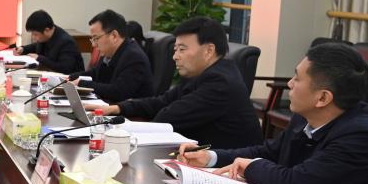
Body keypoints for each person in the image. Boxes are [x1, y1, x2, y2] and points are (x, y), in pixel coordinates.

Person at [178, 43, 368, 184]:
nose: (290, 83)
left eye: (297, 78)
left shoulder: (361, 136)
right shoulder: (305, 116)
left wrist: (252, 167)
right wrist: (211, 157)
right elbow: (270, 151)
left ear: (322, 98)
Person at [91, 17, 263, 149]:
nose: (175, 56)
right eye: (175, 49)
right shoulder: (201, 74)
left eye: (182, 49)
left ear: (209, 50)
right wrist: (118, 108)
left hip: (230, 170)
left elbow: (166, 118)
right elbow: (162, 101)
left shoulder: (220, 83)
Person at [74, 9, 153, 102]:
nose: (93, 45)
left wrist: (81, 83)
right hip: (110, 104)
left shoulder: (134, 57)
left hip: (130, 110)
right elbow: (95, 74)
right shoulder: (111, 52)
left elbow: (118, 92)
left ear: (114, 36)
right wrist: (69, 78)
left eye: (96, 38)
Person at [14, 10, 85, 74]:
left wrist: (40, 58)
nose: (33, 37)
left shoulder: (66, 43)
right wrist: (23, 49)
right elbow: (36, 46)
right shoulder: (46, 36)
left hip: (70, 80)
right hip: (50, 74)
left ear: (46, 30)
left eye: (35, 34)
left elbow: (64, 68)